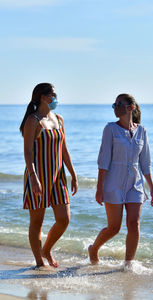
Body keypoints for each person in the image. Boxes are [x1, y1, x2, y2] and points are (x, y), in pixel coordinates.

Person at [88, 93, 153, 266]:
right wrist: (99, 188)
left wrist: (152, 189)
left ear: (130, 108)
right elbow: (103, 161)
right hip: (113, 183)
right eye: (114, 104)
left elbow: (145, 162)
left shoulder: (142, 131)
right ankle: (94, 248)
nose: (115, 106)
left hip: (135, 184)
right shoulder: (110, 129)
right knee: (114, 228)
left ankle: (128, 265)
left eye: (119, 103)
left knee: (134, 224)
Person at [19, 83, 78, 269]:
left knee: (64, 219)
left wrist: (73, 174)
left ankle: (47, 249)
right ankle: (39, 262)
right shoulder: (33, 120)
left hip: (58, 177)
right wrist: (34, 177)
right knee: (37, 221)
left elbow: (64, 149)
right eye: (53, 94)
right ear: (44, 97)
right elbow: (28, 152)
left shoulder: (59, 119)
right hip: (38, 177)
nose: (56, 97)